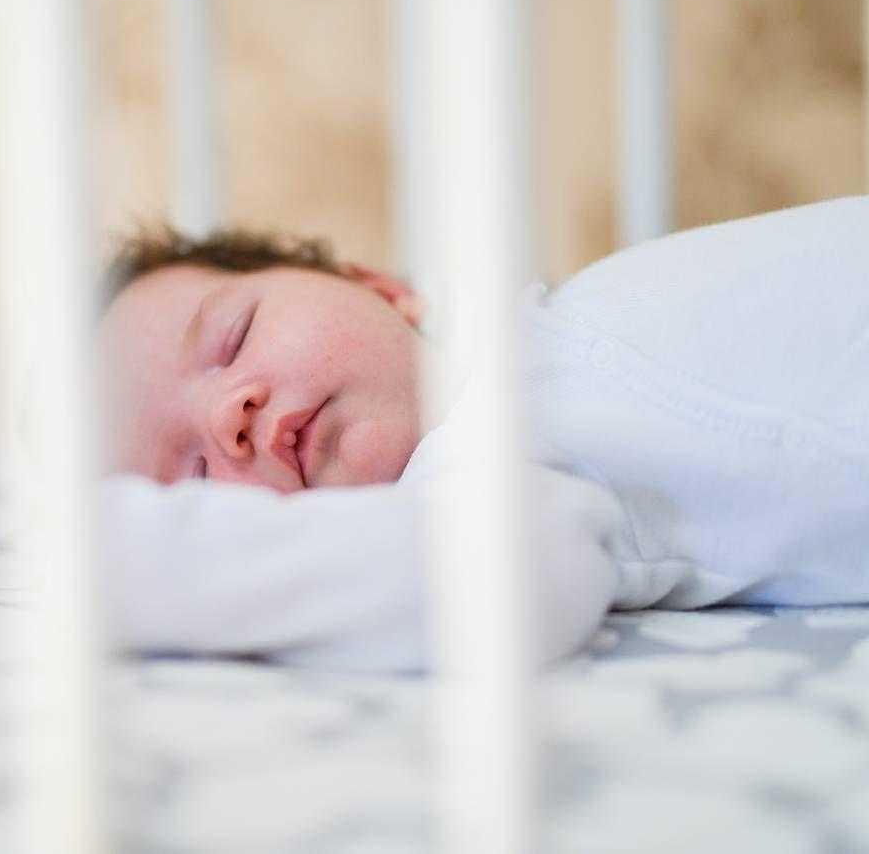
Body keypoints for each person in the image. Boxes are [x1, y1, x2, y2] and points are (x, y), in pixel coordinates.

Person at [97, 196, 869, 672]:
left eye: (231, 337)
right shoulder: (478, 467)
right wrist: (144, 561)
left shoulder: (534, 330)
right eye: (194, 476)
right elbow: (489, 587)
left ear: (379, 288)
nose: (228, 415)